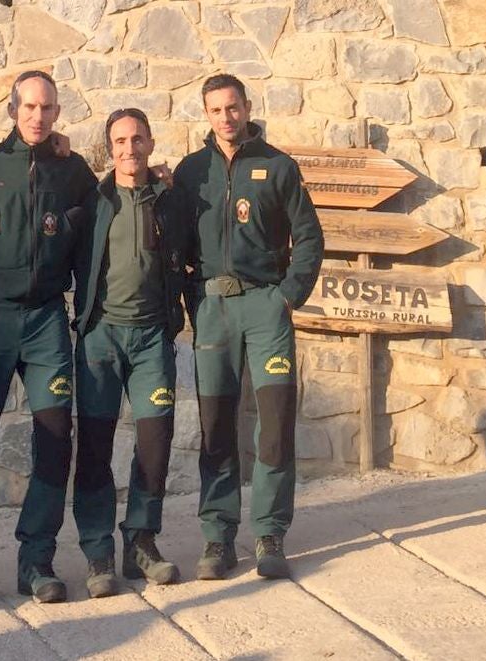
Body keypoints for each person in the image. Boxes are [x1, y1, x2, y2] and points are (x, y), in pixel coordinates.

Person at [0, 70, 98, 609]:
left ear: (58, 113)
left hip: (46, 321)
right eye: (28, 106)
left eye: (47, 107)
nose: (37, 116)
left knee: (55, 443)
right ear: (12, 110)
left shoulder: (73, 170)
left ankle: (37, 561)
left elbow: (104, 220)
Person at [174, 74, 324, 580]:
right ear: (206, 113)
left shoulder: (279, 166)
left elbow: (308, 239)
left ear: (247, 107)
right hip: (213, 310)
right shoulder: (191, 172)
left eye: (232, 107)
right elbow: (175, 243)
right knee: (217, 427)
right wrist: (192, 298)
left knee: (274, 425)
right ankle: (218, 540)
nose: (225, 117)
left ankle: (269, 534)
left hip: (266, 308)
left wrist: (287, 297)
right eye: (215, 110)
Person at [71, 108, 191, 597]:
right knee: (96, 448)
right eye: (119, 141)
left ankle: (141, 541)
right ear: (109, 148)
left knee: (155, 444)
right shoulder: (93, 199)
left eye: (137, 139)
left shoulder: (171, 200)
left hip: (151, 340)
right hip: (101, 336)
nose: (129, 149)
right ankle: (98, 552)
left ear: (151, 142)